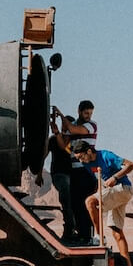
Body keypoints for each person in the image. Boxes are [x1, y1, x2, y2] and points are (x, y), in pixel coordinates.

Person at [74, 140, 133, 257]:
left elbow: (131, 165)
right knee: (116, 231)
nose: (81, 161)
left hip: (122, 188)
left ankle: (98, 236)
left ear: (89, 151)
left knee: (90, 202)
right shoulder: (87, 164)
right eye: (78, 159)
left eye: (82, 157)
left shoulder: (106, 156)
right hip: (113, 193)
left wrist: (115, 178)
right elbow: (100, 181)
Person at [49, 101, 98, 245]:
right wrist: (57, 132)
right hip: (75, 171)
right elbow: (64, 145)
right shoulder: (74, 126)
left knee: (86, 204)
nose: (88, 116)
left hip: (87, 170)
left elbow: (71, 128)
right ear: (79, 111)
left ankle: (89, 236)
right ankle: (81, 234)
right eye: (86, 113)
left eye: (90, 113)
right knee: (76, 204)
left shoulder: (90, 126)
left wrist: (61, 115)